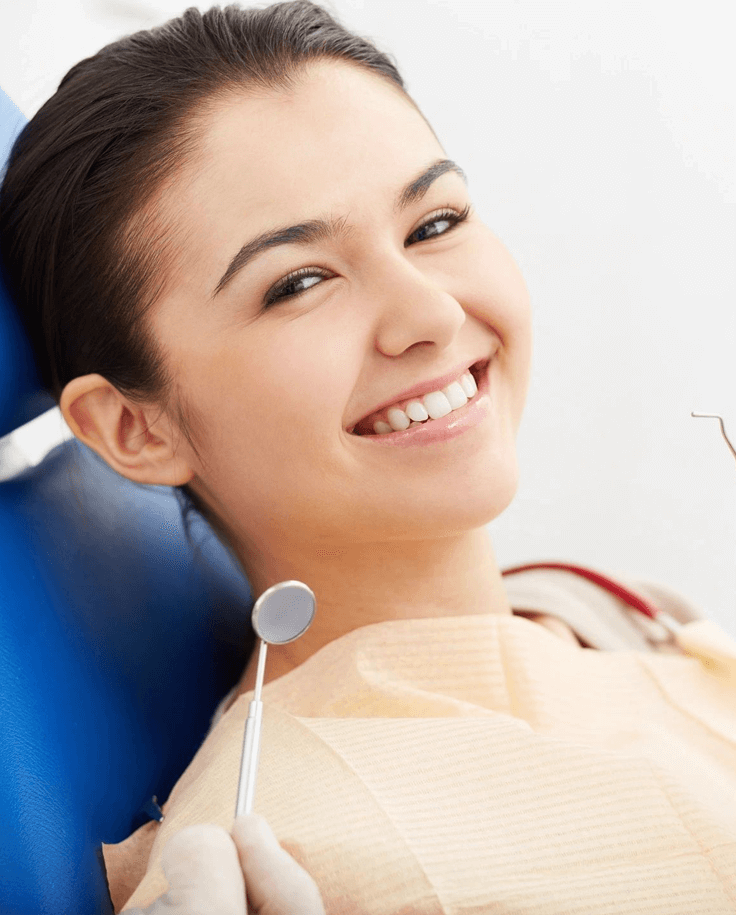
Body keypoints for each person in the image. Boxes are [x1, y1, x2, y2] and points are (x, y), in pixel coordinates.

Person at [0, 2, 734, 913]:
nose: (428, 312)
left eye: (433, 223)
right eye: (298, 283)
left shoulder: (599, 611)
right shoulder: (312, 858)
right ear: (134, 428)